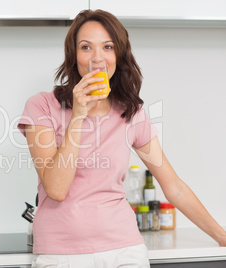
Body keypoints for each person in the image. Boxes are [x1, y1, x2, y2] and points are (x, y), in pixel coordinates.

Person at [17, 9, 226, 268]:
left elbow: (174, 186)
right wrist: (79, 115)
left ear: (118, 56)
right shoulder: (43, 106)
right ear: (73, 56)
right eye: (86, 47)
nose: (97, 58)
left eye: (108, 47)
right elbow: (57, 189)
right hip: (60, 254)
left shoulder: (131, 113)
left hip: (124, 251)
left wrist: (222, 236)